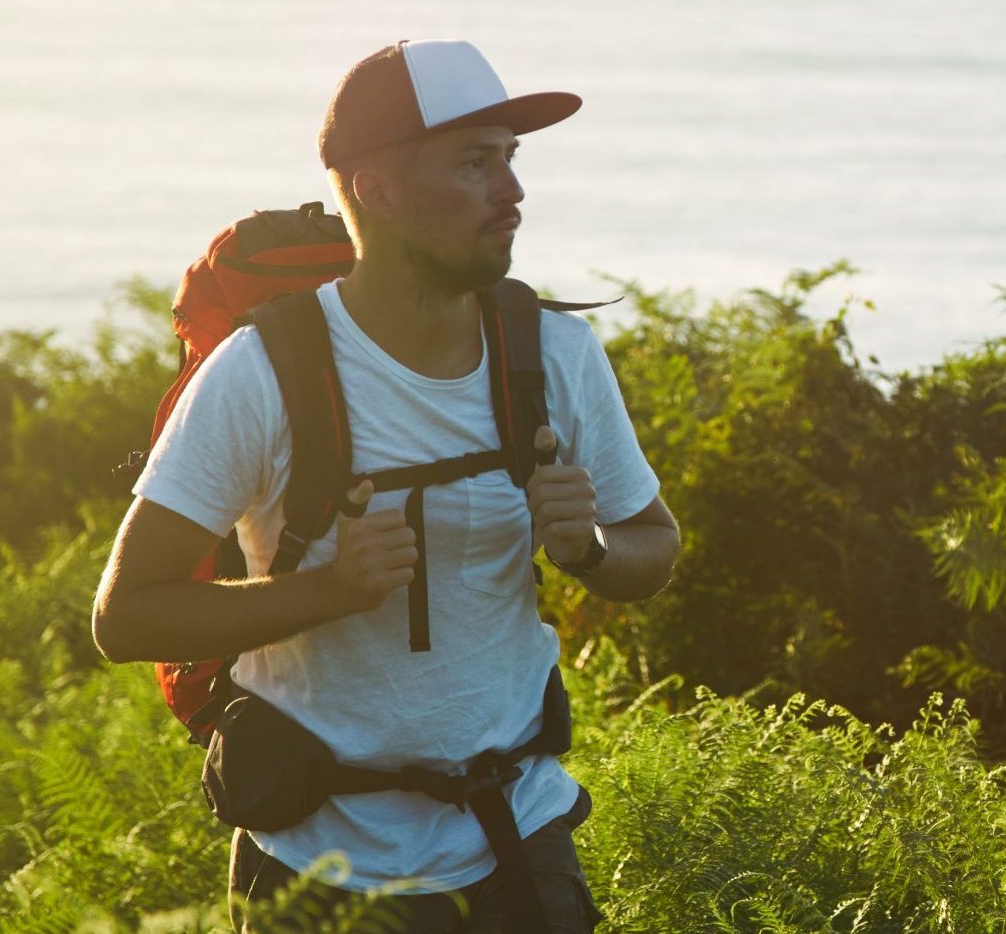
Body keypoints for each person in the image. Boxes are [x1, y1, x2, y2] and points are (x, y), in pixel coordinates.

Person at [91, 39, 678, 931]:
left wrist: (588, 548)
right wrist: (326, 591)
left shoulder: (552, 355)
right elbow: (126, 616)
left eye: (510, 161)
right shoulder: (263, 374)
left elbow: (655, 547)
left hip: (519, 838)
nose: (511, 191)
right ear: (375, 189)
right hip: (319, 866)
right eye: (475, 164)